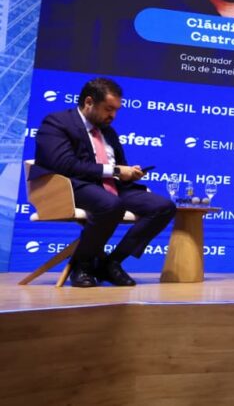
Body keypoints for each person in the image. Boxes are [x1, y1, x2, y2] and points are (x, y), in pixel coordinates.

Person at [32, 78, 177, 288]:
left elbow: (119, 166)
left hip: (111, 186)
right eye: (109, 109)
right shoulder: (57, 123)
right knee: (111, 205)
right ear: (89, 101)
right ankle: (82, 265)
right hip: (72, 186)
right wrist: (117, 170)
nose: (113, 115)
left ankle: (112, 263)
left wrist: (129, 173)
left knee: (163, 207)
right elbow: (65, 165)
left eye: (117, 110)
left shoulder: (108, 131)